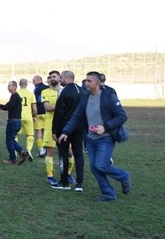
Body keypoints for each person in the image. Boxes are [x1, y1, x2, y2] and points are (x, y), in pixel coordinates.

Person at [59, 71, 130, 202]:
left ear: (97, 82)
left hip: (106, 138)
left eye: (89, 81)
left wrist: (105, 127)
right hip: (91, 139)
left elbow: (122, 116)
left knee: (101, 165)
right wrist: (66, 131)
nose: (86, 83)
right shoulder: (85, 98)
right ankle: (109, 194)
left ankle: (124, 176)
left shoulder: (108, 97)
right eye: (86, 80)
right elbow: (76, 116)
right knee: (94, 168)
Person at [52, 70, 85, 191]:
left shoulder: (64, 92)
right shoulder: (82, 91)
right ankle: (79, 184)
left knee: (63, 154)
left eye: (61, 78)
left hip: (65, 128)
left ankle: (64, 182)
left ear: (66, 78)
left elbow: (59, 112)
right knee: (78, 154)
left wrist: (54, 130)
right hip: (79, 127)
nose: (60, 80)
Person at [0, 81, 28, 165]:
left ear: (14, 87)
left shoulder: (15, 96)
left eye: (9, 86)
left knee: (9, 141)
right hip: (17, 122)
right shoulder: (15, 97)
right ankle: (22, 152)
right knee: (11, 139)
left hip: (13, 122)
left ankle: (12, 159)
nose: (8, 88)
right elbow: (7, 108)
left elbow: (7, 107)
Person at [41, 71, 61, 186]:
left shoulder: (64, 91)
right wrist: (62, 107)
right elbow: (47, 107)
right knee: (51, 151)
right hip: (50, 125)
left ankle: (68, 174)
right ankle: (50, 176)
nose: (51, 78)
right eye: (50, 77)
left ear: (60, 78)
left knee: (69, 151)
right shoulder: (45, 92)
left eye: (54, 76)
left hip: (64, 125)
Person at [17, 78, 37, 159]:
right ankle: (28, 150)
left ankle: (15, 153)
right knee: (30, 135)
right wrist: (34, 116)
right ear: (27, 84)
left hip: (18, 117)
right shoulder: (31, 94)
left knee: (16, 135)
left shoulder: (16, 93)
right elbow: (34, 108)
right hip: (28, 117)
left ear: (19, 84)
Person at [32, 75, 49, 157]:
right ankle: (46, 148)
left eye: (34, 81)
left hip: (39, 113)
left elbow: (35, 102)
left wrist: (33, 113)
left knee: (38, 132)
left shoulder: (36, 89)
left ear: (39, 80)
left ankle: (41, 151)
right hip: (47, 113)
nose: (33, 82)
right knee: (46, 131)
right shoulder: (48, 87)